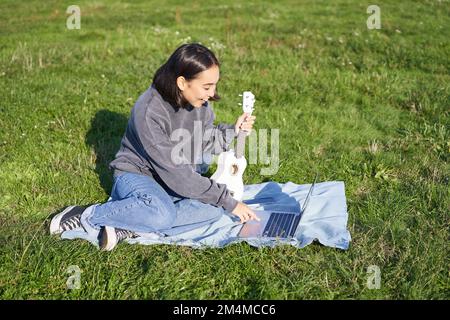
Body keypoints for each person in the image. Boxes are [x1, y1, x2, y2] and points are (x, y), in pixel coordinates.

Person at [49, 43, 259, 251]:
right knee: (165, 212)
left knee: (214, 210)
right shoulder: (149, 111)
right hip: (138, 176)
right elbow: (176, 173)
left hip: (172, 183)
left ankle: (132, 225)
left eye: (215, 85)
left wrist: (234, 130)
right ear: (182, 82)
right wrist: (229, 202)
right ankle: (85, 214)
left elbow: (205, 140)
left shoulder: (200, 105)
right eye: (206, 87)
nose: (212, 94)